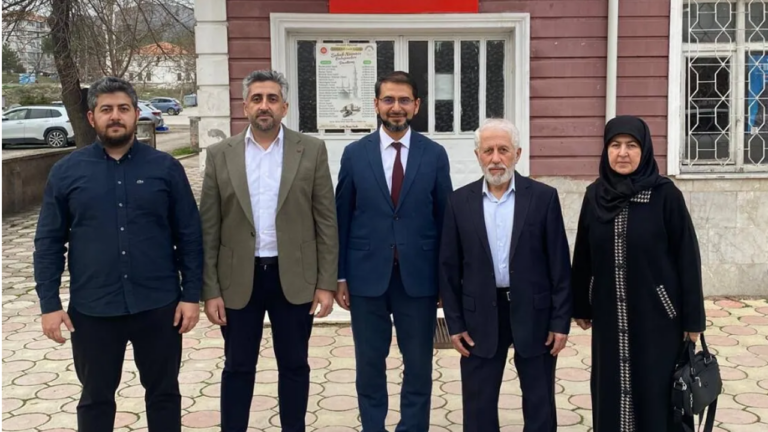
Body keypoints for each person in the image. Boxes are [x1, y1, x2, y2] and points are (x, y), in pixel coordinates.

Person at [33, 77, 203, 432]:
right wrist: (49, 304)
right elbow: (49, 242)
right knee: (95, 399)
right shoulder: (66, 172)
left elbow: (189, 235)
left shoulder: (166, 168)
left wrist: (191, 296)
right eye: (106, 109)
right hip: (93, 309)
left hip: (158, 306)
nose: (115, 116)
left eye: (123, 109)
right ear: (91, 117)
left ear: (137, 114)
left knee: (164, 395)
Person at [199, 70, 338, 432]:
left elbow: (326, 221)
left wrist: (326, 283)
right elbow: (209, 228)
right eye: (257, 99)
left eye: (272, 99)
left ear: (284, 107)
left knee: (294, 365)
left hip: (294, 278)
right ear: (245, 106)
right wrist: (210, 290)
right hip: (237, 280)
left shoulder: (311, 150)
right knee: (237, 366)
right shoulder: (219, 155)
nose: (265, 106)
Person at [570, 115, 707, 432]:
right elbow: (584, 254)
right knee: (611, 389)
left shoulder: (665, 195)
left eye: (631, 145)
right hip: (609, 318)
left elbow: (687, 258)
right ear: (605, 150)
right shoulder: (595, 195)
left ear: (644, 150)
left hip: (658, 318)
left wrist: (693, 321)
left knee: (656, 392)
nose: (622, 153)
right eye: (615, 145)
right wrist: (581, 305)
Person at [335, 71, 453, 431]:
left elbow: (445, 220)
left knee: (418, 365)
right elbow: (342, 218)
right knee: (370, 364)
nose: (396, 107)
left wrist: (445, 281)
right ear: (376, 105)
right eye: (388, 99)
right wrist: (339, 276)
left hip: (418, 279)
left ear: (416, 106)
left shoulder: (435, 155)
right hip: (366, 277)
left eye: (404, 100)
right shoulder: (355, 154)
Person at [439, 118, 572, 432]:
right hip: (479, 316)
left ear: (518, 153)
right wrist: (455, 324)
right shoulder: (459, 201)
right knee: (478, 404)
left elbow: (559, 264)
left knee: (540, 403)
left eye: (503, 150)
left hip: (534, 313)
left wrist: (560, 321)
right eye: (488, 151)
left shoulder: (543, 198)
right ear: (478, 156)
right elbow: (448, 268)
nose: (496, 158)